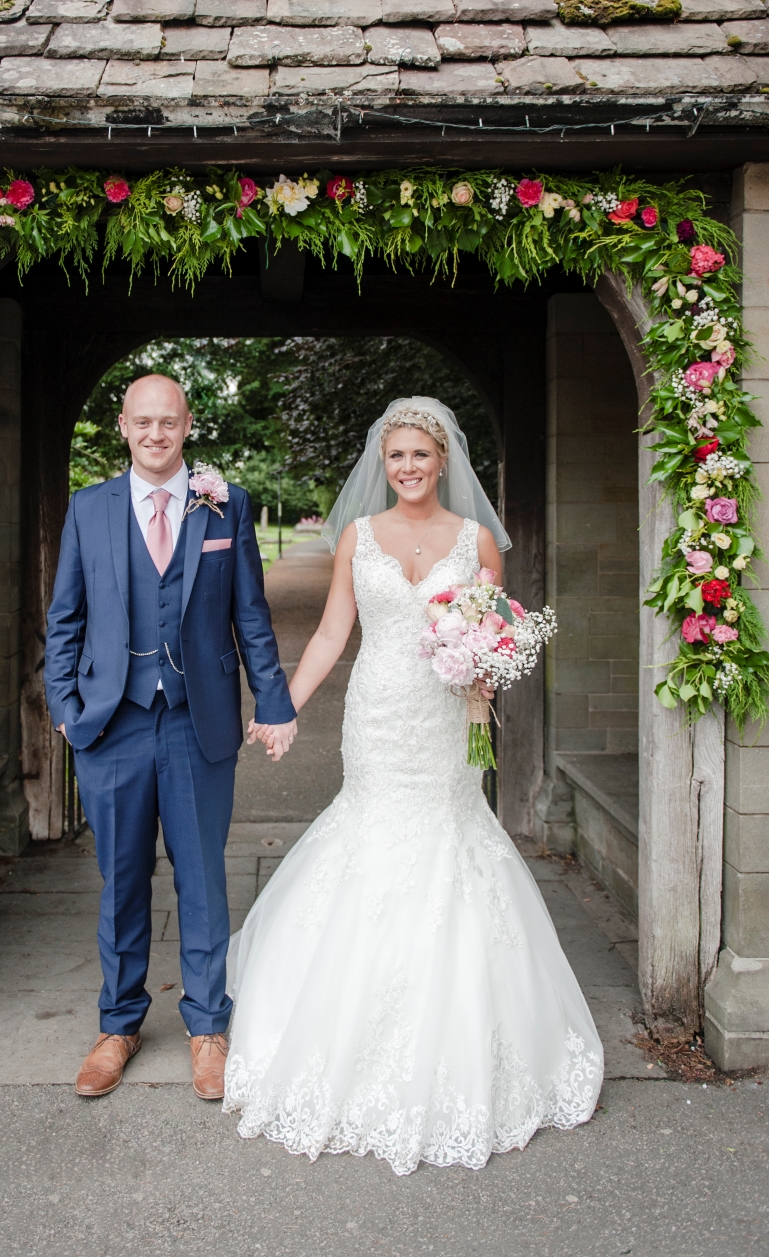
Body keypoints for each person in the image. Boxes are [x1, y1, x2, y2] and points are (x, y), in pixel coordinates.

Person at [226, 397, 603, 1175]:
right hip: (379, 715)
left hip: (446, 721)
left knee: (450, 839)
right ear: (382, 462)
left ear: (443, 460)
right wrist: (281, 704)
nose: (406, 468)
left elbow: (500, 631)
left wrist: (482, 677)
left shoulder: (477, 541)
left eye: (419, 456)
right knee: (369, 832)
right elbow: (333, 629)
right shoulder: (359, 537)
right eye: (394, 456)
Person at [44, 374, 296, 1102]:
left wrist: (274, 702)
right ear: (122, 425)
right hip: (110, 721)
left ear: (188, 426)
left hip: (198, 717)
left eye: (169, 421)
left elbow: (250, 614)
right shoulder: (89, 509)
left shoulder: (226, 503)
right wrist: (64, 704)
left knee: (203, 878)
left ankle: (207, 1026)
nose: (156, 434)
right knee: (121, 877)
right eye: (143, 421)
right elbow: (65, 617)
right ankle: (118, 1024)